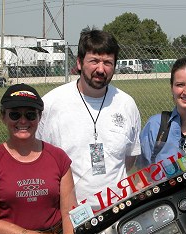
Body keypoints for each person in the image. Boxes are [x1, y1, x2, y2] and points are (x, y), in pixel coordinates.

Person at [37, 29, 141, 211]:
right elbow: (39, 159)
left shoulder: (126, 104)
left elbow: (129, 158)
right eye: (94, 61)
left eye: (108, 63)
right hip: (70, 213)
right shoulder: (52, 104)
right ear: (79, 62)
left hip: (119, 210)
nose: (101, 69)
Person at [0, 83, 76, 234]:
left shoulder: (58, 158)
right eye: (15, 114)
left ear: (39, 117)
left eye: (30, 115)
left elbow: (69, 211)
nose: (23, 121)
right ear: (3, 117)